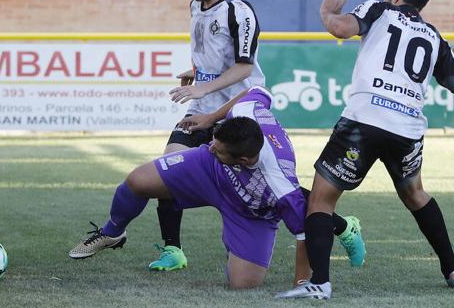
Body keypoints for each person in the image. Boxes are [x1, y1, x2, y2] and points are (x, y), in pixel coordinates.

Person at [276, 0, 454, 300]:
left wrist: (327, 10)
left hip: (365, 120)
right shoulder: (433, 36)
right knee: (415, 196)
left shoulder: (379, 10)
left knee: (321, 200)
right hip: (407, 129)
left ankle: (321, 283)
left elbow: (340, 28)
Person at [68, 87, 365, 289]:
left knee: (242, 284)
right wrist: (211, 119)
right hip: (211, 172)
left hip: (253, 211)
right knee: (137, 181)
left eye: (219, 147)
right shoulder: (242, 118)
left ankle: (342, 225)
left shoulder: (279, 183)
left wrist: (302, 285)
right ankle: (111, 232)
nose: (210, 146)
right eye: (214, 141)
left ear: (246, 159)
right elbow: (256, 92)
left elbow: (304, 233)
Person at [153, 0, 265, 271]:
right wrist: (197, 73)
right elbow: (210, 53)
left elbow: (245, 66)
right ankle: (173, 250)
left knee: (262, 185)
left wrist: (205, 88)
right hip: (201, 107)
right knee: (168, 169)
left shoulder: (239, 12)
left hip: (238, 108)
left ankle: (340, 225)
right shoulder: (194, 5)